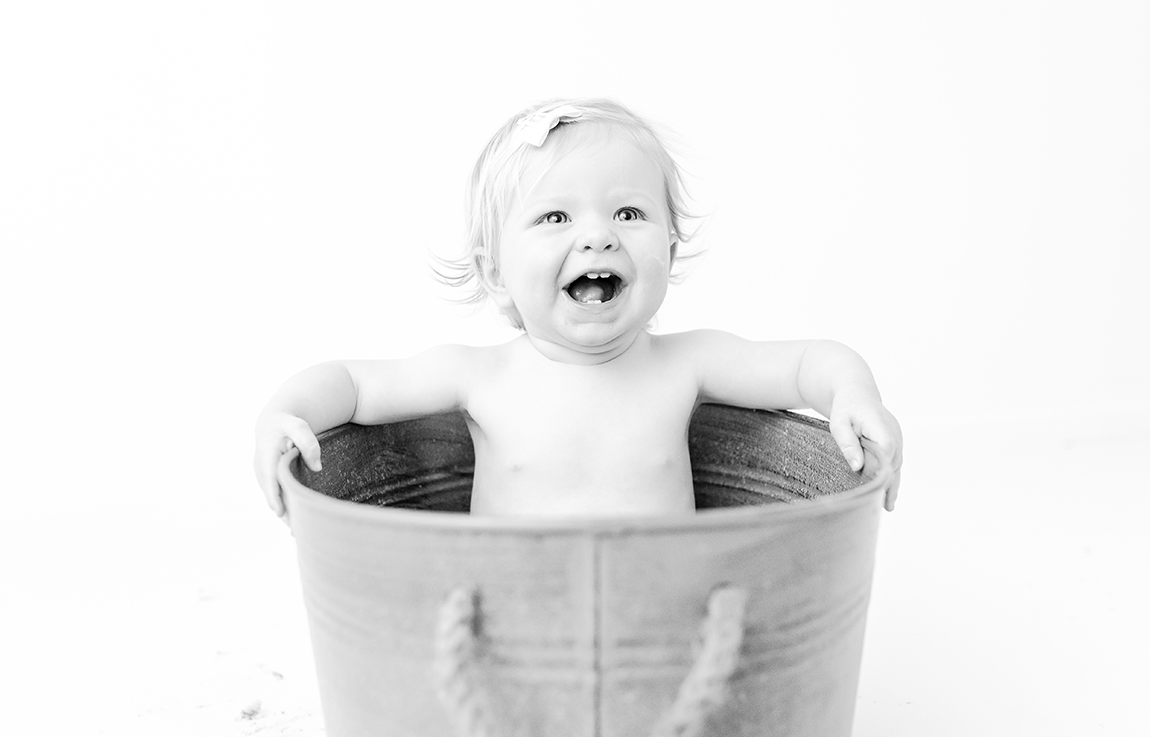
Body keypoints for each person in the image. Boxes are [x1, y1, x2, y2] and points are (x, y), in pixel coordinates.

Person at [254, 98, 902, 519]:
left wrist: (852, 394)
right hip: (512, 619)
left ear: (669, 254)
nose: (597, 235)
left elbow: (808, 363)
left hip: (662, 615)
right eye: (555, 216)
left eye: (628, 212)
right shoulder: (480, 378)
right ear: (496, 273)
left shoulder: (687, 364)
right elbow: (354, 383)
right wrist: (286, 413)